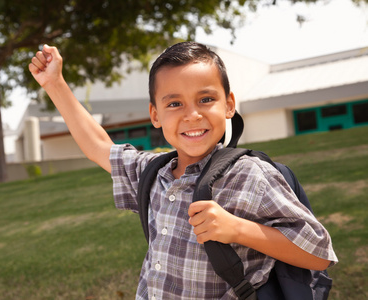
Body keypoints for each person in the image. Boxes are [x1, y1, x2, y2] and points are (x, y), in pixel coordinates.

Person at [29, 42, 337, 299]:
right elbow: (98, 145)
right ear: (155, 114)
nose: (192, 115)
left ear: (229, 105)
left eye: (206, 99)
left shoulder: (250, 175)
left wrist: (236, 229)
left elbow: (319, 252)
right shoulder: (153, 172)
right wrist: (55, 84)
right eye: (174, 103)